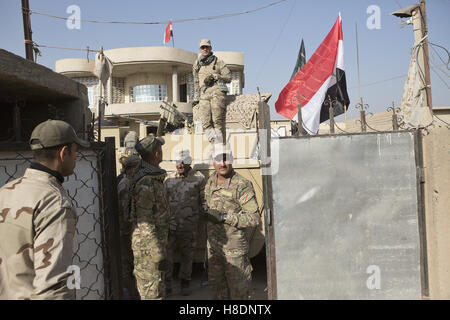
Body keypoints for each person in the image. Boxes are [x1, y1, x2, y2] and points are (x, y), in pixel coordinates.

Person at [0, 119, 90, 299]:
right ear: (64, 153)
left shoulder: (5, 192)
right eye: (75, 151)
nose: (76, 158)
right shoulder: (54, 203)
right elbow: (53, 286)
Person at [202, 143, 261, 300]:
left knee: (239, 295)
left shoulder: (242, 185)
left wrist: (224, 217)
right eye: (218, 159)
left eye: (226, 158)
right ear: (212, 161)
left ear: (232, 159)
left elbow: (254, 218)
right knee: (218, 293)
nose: (222, 163)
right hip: (214, 251)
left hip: (234, 254)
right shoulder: (210, 182)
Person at [129, 134, 169, 300]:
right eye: (160, 148)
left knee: (158, 290)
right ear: (156, 154)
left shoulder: (152, 177)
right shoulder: (146, 182)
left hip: (153, 246)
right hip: (148, 251)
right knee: (152, 294)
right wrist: (157, 254)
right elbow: (145, 222)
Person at [164, 149, 205, 296]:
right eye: (177, 161)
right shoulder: (168, 180)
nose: (180, 164)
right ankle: (167, 284)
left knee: (187, 256)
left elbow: (204, 201)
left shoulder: (199, 179)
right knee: (167, 256)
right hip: (171, 225)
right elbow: (163, 202)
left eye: (183, 161)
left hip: (189, 226)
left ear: (189, 162)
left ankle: (185, 283)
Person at [192, 39, 231, 144]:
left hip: (217, 93)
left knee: (217, 121)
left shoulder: (218, 62)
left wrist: (217, 76)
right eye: (202, 47)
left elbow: (228, 77)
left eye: (207, 47)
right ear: (200, 49)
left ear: (210, 48)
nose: (205, 49)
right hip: (204, 94)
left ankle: (220, 145)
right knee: (205, 121)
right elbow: (196, 82)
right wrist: (196, 97)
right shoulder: (197, 64)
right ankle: (214, 142)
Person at [117, 154, 140, 299]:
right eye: (137, 168)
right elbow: (126, 212)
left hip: (127, 231)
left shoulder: (128, 182)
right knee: (129, 265)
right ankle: (133, 294)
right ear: (129, 169)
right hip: (126, 232)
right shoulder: (126, 184)